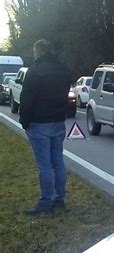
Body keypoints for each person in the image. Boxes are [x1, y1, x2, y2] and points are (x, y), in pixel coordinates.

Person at [20, 39, 72, 215]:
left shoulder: (34, 71)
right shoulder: (64, 70)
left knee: (44, 165)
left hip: (39, 122)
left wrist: (24, 120)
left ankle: (45, 202)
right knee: (58, 161)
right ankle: (59, 199)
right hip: (58, 122)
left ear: (39, 52)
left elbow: (27, 99)